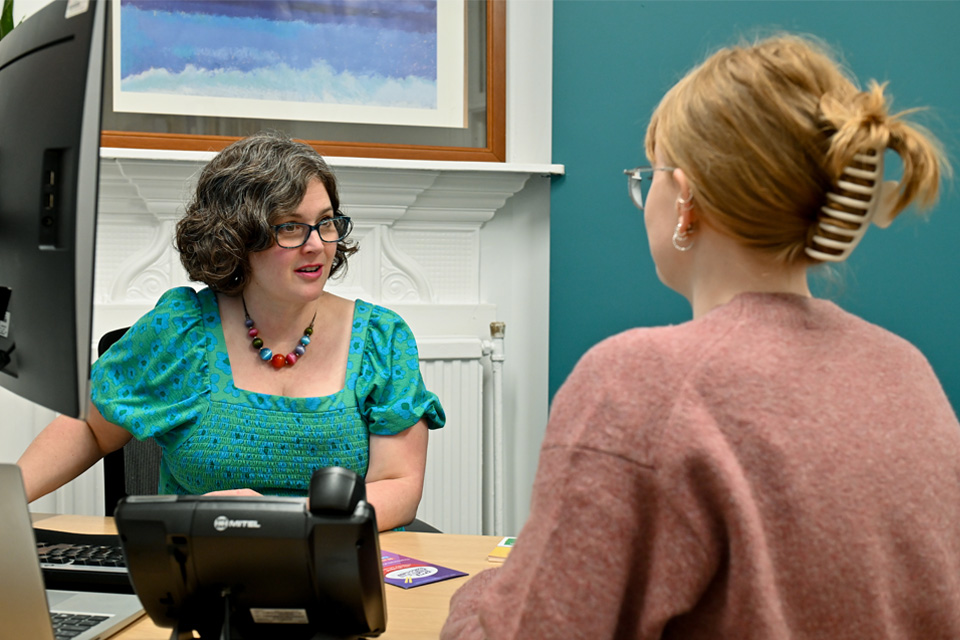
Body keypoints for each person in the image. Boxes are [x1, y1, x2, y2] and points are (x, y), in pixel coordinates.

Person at [442, 34, 960, 639]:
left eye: (650, 175)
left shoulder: (639, 383)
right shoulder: (905, 372)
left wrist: (482, 597)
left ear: (685, 197)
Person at [17, 131, 445, 532]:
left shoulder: (380, 338)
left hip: (338, 565)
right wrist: (8, 501)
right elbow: (91, 428)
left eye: (326, 222)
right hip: (203, 572)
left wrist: (271, 521)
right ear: (237, 238)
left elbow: (399, 485)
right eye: (290, 227)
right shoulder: (181, 331)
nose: (317, 244)